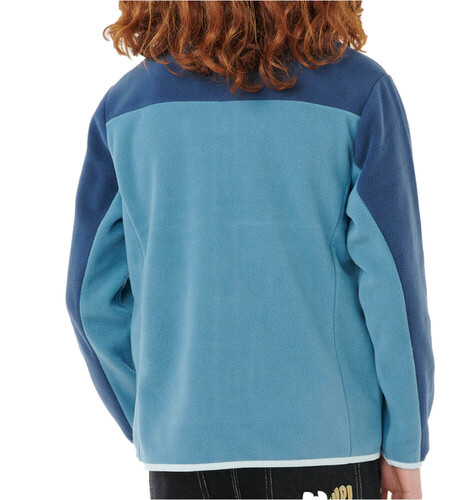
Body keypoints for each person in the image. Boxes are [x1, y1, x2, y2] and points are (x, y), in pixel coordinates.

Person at [66, 1, 434, 499]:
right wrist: (405, 445)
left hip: (184, 448)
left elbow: (90, 299)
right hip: (327, 443)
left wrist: (162, 416)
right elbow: (394, 289)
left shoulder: (125, 107)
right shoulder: (361, 92)